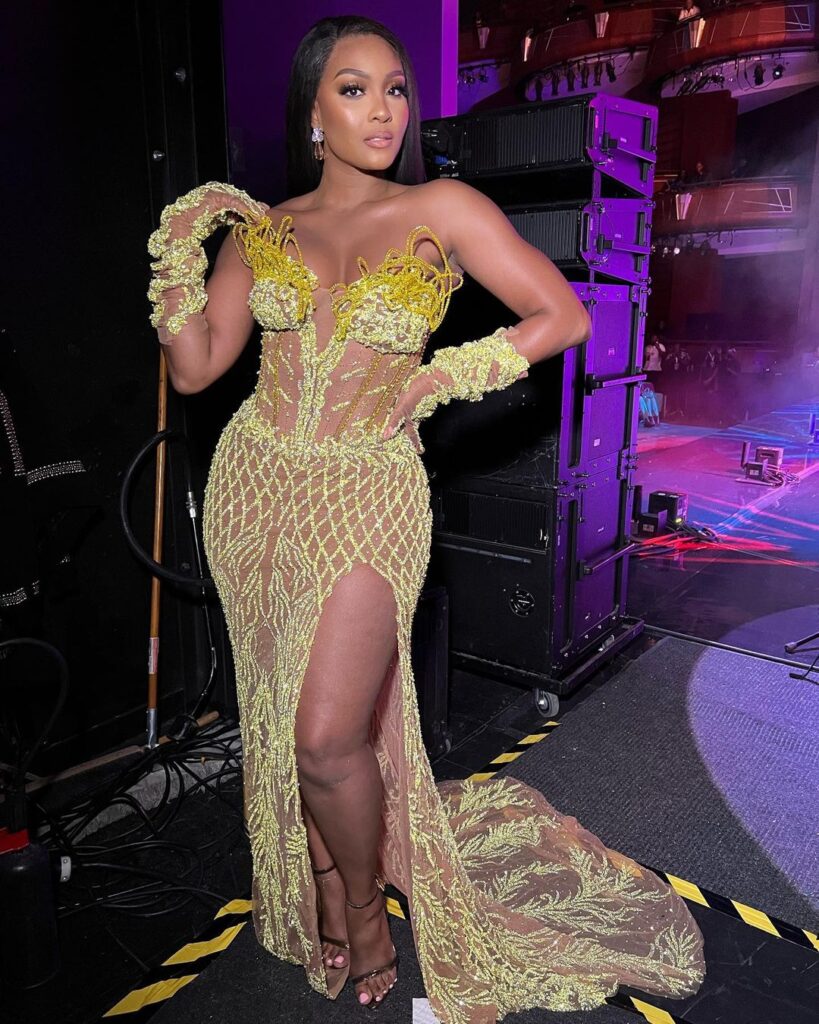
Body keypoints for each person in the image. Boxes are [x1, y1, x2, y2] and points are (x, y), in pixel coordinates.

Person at [146, 15, 705, 1021]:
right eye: (353, 89)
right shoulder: (266, 230)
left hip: (371, 492)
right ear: (313, 114)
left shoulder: (440, 207)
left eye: (395, 88)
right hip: (257, 489)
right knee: (281, 715)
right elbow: (195, 368)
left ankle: (364, 907)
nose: (382, 110)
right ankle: (322, 884)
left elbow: (562, 316)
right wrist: (182, 248)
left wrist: (445, 375)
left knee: (326, 737)